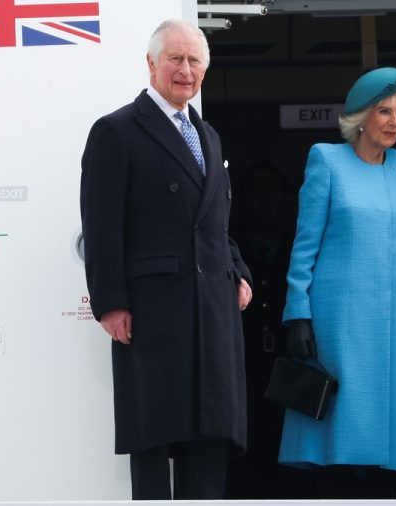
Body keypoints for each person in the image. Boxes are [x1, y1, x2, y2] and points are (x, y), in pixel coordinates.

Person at [80, 19, 253, 501]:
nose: (185, 69)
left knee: (210, 438)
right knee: (154, 439)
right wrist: (111, 303)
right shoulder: (116, 131)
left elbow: (214, 221)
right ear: (151, 63)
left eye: (195, 61)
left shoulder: (209, 136)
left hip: (211, 309)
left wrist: (236, 270)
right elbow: (101, 225)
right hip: (155, 310)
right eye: (175, 58)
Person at [278, 67, 396, 499]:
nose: (393, 121)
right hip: (339, 325)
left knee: (392, 449)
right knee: (341, 448)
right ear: (361, 117)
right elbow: (305, 245)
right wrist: (298, 314)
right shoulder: (327, 160)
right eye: (384, 111)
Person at [225, 163, 315, 499]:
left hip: (292, 371)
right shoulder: (226, 248)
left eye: (273, 193)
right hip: (241, 370)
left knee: (292, 466)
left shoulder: (301, 250)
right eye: (257, 194)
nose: (265, 201)